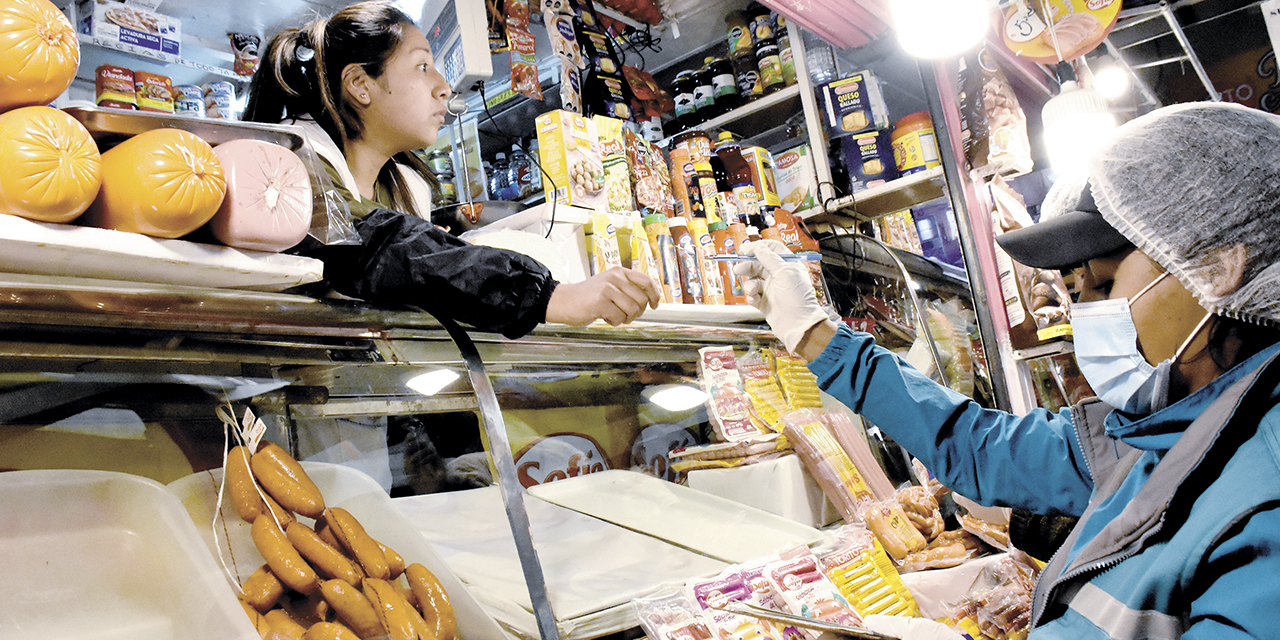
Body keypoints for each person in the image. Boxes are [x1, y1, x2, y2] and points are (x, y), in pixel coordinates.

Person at [735, 102, 1280, 638]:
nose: (1082, 316)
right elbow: (977, 446)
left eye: (1104, 286)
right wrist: (816, 336)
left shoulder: (1265, 494)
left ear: (1216, 267)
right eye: (1076, 293)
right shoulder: (1153, 433)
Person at [243, 0, 659, 339]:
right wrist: (549, 297)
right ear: (360, 85)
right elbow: (369, 248)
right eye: (423, 66)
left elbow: (415, 274)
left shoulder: (403, 186)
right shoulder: (290, 158)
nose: (443, 86)